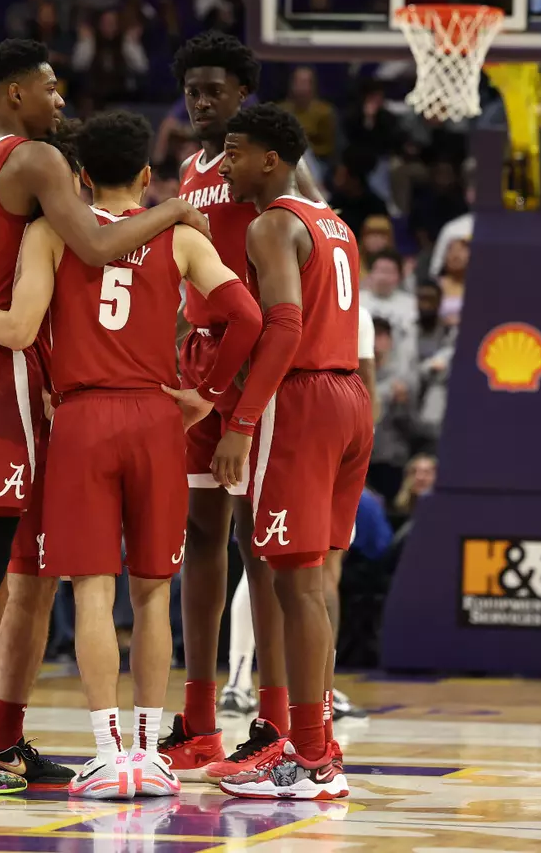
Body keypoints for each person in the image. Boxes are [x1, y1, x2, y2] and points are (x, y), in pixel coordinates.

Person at [0, 108, 261, 799]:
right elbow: (248, 318)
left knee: (91, 595)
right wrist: (207, 394)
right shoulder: (176, 235)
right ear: (147, 175)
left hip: (81, 419)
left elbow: (19, 329)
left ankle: (108, 754)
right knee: (153, 594)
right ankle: (150, 751)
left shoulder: (53, 232)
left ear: (77, 177)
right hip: (155, 418)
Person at [171, 102, 365, 801]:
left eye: (237, 153)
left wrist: (240, 419)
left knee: (295, 585)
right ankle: (313, 747)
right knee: (306, 582)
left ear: (272, 161)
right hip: (348, 399)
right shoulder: (334, 223)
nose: (225, 166)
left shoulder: (270, 224)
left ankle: (306, 755)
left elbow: (283, 326)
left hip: (303, 402)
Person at [157, 33, 322, 784]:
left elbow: (317, 248)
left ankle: (275, 720)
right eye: (192, 89)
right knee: (200, 533)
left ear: (243, 95)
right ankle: (197, 720)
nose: (202, 101)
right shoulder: (190, 171)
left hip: (259, 364)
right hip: (201, 357)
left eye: (215, 89)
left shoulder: (283, 173)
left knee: (266, 544)